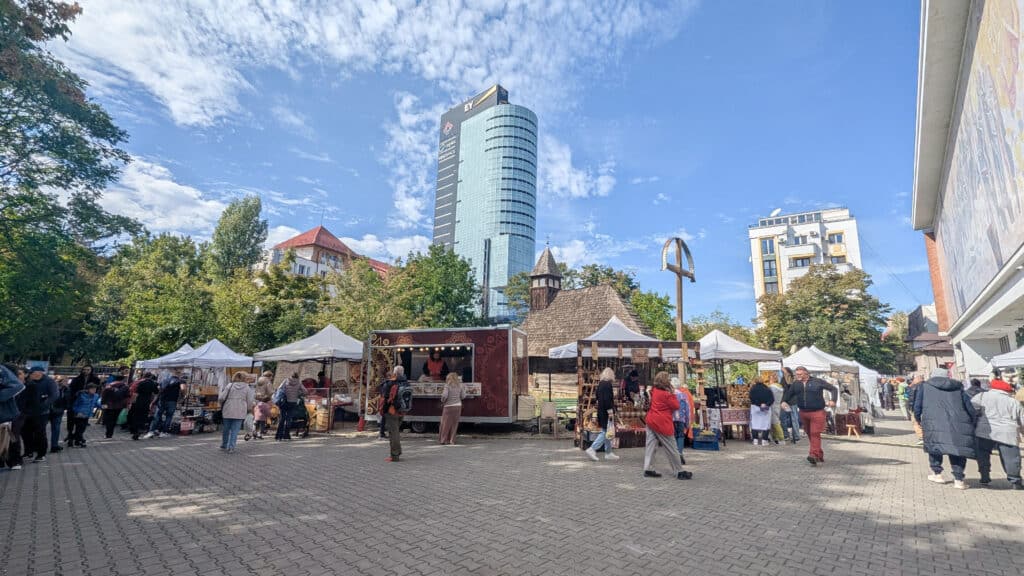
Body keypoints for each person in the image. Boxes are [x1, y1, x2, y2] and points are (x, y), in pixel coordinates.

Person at [913, 368, 976, 490]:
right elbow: (968, 406)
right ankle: (959, 479)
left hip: (933, 421)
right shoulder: (957, 387)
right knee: (957, 450)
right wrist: (972, 420)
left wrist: (917, 418)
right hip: (958, 422)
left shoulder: (925, 387)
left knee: (935, 447)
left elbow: (917, 405)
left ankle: (937, 474)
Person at [971, 378, 1024, 489]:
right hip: (1007, 433)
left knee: (983, 455)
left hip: (985, 431)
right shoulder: (1013, 402)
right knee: (1011, 458)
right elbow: (1022, 419)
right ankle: (1015, 481)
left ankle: (984, 477)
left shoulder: (980, 397)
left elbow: (972, 411)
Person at [781, 366, 837, 466]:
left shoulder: (817, 381)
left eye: (800, 374)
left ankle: (813, 455)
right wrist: (784, 401)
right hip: (803, 412)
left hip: (817, 412)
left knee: (815, 433)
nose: (797, 376)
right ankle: (819, 454)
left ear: (806, 373)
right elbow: (788, 394)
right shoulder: (796, 384)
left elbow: (833, 389)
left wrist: (833, 400)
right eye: (796, 374)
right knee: (810, 433)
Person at [643, 371, 692, 480]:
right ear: (665, 381)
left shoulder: (654, 390)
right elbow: (676, 406)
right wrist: (672, 393)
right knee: (672, 447)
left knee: (651, 446)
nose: (670, 380)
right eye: (668, 379)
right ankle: (679, 471)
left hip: (651, 420)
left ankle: (648, 468)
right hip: (662, 423)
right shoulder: (667, 394)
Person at [21, 368, 57, 462]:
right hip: (27, 412)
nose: (30, 376)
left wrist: (43, 405)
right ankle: (28, 451)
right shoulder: (28, 381)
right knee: (26, 433)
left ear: (38, 373)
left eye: (31, 374)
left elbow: (54, 395)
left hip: (41, 412)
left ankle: (41, 454)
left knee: (40, 433)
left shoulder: (49, 381)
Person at [585, 368, 619, 462]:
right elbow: (607, 400)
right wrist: (610, 411)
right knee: (605, 431)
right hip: (606, 411)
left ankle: (608, 452)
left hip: (601, 410)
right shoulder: (608, 385)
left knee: (607, 430)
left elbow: (597, 397)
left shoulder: (600, 384)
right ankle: (592, 449)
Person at [219, 372, 255, 453]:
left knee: (226, 429)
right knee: (235, 430)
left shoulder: (230, 385)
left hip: (228, 409)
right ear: (245, 378)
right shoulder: (247, 388)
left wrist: (222, 403)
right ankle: (231, 447)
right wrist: (249, 409)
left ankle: (224, 445)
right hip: (240, 410)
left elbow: (221, 398)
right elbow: (250, 401)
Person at [380, 365, 408, 462]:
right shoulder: (406, 383)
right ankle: (398, 452)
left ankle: (395, 456)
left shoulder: (390, 383)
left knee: (393, 433)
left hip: (391, 411)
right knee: (396, 432)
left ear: (394, 373)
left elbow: (385, 398)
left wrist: (383, 411)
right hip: (402, 410)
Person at [1, 364, 26, 470]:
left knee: (12, 438)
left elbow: (18, 386)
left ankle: (15, 460)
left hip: (9, 415)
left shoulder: (2, 371)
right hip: (9, 414)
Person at [67, 365, 101, 442]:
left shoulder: (95, 379)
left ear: (91, 370)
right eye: (84, 369)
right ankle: (70, 435)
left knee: (82, 424)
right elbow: (71, 390)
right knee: (71, 421)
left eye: (88, 370)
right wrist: (77, 393)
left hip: (87, 404)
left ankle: (78, 436)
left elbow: (97, 390)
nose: (86, 371)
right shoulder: (77, 379)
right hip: (76, 401)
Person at [145, 370, 181, 439]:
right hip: (172, 401)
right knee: (169, 416)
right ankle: (164, 432)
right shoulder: (179, 381)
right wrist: (182, 396)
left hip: (162, 400)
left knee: (157, 416)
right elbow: (183, 388)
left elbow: (159, 389)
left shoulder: (164, 380)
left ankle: (151, 431)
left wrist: (154, 401)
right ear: (178, 374)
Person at [274, 372, 306, 441]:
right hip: (292, 402)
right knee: (289, 418)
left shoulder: (286, 381)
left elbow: (279, 389)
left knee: (282, 418)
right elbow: (305, 391)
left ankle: (279, 436)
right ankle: (286, 435)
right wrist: (298, 393)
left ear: (291, 376)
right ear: (297, 377)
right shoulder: (299, 383)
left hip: (284, 402)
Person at [128, 372, 159, 440]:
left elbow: (135, 393)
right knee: (143, 416)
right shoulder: (152, 383)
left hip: (138, 401)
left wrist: (131, 402)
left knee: (135, 416)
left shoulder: (140, 382)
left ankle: (134, 430)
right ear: (150, 376)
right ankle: (139, 429)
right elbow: (156, 392)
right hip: (146, 402)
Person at [68, 383, 100, 448]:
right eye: (92, 389)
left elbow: (96, 403)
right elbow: (75, 404)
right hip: (79, 414)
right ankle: (78, 442)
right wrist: (77, 411)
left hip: (87, 414)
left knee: (82, 429)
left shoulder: (96, 396)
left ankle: (71, 438)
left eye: (95, 389)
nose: (94, 390)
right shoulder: (81, 395)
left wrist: (101, 406)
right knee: (79, 428)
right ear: (88, 389)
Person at [439, 372, 466, 445]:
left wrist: (442, 400)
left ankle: (443, 440)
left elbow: (444, 396)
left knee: (445, 424)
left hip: (448, 407)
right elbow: (463, 396)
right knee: (454, 424)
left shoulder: (447, 386)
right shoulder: (460, 385)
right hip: (458, 406)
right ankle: (452, 441)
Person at [48, 376, 72, 453]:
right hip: (49, 411)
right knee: (41, 429)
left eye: (67, 381)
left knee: (56, 429)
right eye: (65, 381)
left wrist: (65, 407)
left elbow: (67, 400)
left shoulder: (66, 389)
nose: (67, 383)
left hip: (59, 411)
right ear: (59, 381)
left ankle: (54, 446)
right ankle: (38, 445)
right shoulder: (52, 388)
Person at [748, 378, 774, 446]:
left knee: (755, 424)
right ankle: (764, 440)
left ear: (755, 381)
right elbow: (772, 399)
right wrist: (766, 404)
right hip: (766, 408)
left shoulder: (753, 389)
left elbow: (751, 398)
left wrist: (759, 404)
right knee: (766, 424)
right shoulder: (767, 389)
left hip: (755, 408)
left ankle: (755, 440)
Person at [671, 377, 690, 463]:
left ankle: (675, 455)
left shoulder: (669, 395)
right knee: (681, 436)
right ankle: (680, 453)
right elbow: (687, 409)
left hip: (671, 419)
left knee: (673, 436)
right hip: (681, 419)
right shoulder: (683, 395)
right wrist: (687, 422)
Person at [781, 367, 801, 443]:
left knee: (794, 419)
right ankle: (786, 435)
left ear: (788, 372)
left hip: (792, 401)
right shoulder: (783, 379)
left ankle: (796, 436)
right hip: (785, 401)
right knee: (783, 418)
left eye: (784, 371)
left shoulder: (793, 379)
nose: (783, 373)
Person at [907, 375, 925, 445]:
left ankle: (922, 437)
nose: (913, 381)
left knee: (916, 422)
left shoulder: (916, 387)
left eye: (914, 379)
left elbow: (913, 399)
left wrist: (913, 410)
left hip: (917, 408)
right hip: (925, 408)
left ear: (918, 379)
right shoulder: (927, 386)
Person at [768, 376, 785, 444]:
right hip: (778, 405)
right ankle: (775, 438)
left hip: (772, 406)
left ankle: (781, 438)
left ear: (772, 380)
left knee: (775, 423)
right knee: (774, 422)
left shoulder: (771, 387)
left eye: (769, 380)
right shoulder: (780, 387)